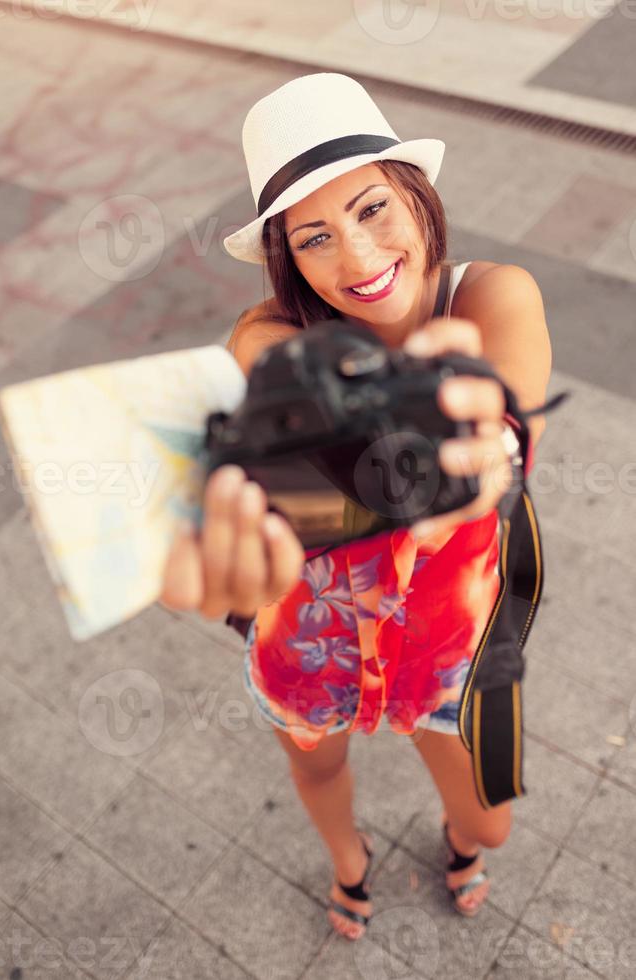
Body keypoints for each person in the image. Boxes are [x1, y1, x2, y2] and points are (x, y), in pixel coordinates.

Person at [160, 73, 552, 939]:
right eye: (314, 238)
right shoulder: (270, 336)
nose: (357, 258)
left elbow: (505, 415)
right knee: (317, 773)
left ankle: (458, 844)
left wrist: (478, 441)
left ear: (416, 194)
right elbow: (271, 414)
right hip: (312, 630)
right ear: (287, 258)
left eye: (373, 209)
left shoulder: (494, 296)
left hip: (449, 635)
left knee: (489, 820)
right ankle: (349, 861)